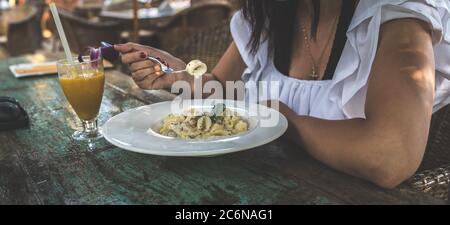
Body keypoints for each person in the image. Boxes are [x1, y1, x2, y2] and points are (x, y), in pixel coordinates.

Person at [114, 0, 450, 188]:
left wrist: (283, 119)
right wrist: (178, 75)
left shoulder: (396, 14)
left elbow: (389, 157)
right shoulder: (266, 16)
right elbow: (219, 85)